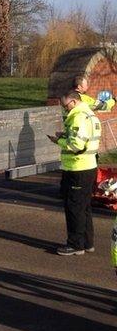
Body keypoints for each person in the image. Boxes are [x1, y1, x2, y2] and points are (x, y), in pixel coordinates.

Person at [48, 91, 101, 255]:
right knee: (84, 207)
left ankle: (75, 244)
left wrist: (59, 141)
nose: (65, 110)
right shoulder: (90, 115)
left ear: (73, 101)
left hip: (77, 168)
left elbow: (76, 145)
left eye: (65, 106)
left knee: (73, 208)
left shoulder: (77, 117)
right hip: (89, 166)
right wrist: (66, 136)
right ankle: (87, 242)